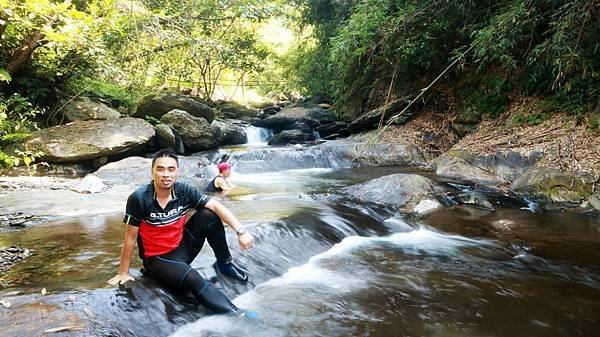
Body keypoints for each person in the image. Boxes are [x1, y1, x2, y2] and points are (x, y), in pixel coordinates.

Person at [108, 149, 255, 315]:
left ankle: (225, 264)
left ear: (177, 171)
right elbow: (130, 237)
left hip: (182, 247)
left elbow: (215, 205)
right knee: (194, 279)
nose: (166, 174)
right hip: (157, 259)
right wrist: (123, 273)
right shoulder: (139, 198)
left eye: (171, 169)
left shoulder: (183, 191)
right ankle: (238, 314)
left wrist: (241, 231)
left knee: (208, 214)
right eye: (160, 169)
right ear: (152, 171)